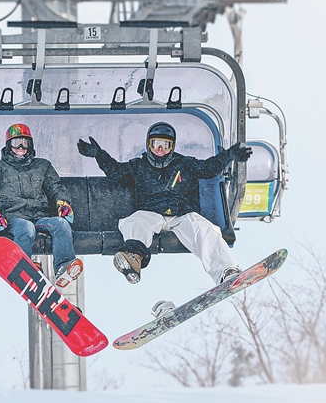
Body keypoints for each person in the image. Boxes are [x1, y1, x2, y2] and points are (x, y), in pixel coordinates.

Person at [77, 121, 251, 288]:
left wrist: (228, 156)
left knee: (204, 229)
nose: (160, 150)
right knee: (133, 222)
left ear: (172, 146)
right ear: (148, 145)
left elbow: (207, 168)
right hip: (150, 212)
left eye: (165, 145)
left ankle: (226, 272)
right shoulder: (139, 166)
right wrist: (99, 154)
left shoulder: (183, 163)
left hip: (181, 214)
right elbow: (116, 172)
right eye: (156, 144)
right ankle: (133, 257)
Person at [0, 123, 83, 288]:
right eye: (16, 143)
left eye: (25, 143)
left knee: (61, 224)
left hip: (39, 215)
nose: (20, 148)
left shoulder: (42, 166)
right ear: (8, 146)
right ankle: (23, 267)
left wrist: (63, 202)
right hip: (13, 217)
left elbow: (56, 187)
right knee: (26, 228)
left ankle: (64, 266)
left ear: (30, 145)